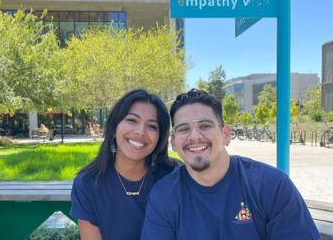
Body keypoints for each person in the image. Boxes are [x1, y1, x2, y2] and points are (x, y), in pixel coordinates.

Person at [141, 89, 320, 239]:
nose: (194, 136)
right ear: (173, 142)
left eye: (205, 126)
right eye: (183, 129)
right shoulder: (163, 196)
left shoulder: (271, 186)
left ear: (226, 134)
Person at [70, 89, 180, 240]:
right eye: (132, 120)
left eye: (152, 126)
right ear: (115, 127)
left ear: (160, 137)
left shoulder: (173, 177)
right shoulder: (87, 184)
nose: (140, 132)